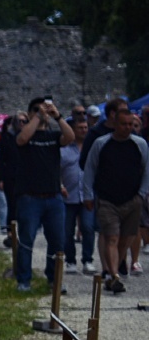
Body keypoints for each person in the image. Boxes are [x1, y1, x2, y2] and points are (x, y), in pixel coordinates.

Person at [84, 107, 149, 294]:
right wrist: (88, 194)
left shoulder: (140, 144)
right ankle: (114, 275)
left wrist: (142, 194)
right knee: (111, 236)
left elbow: (146, 170)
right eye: (123, 124)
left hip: (132, 199)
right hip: (107, 199)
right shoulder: (101, 144)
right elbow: (90, 169)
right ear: (115, 124)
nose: (127, 128)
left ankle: (113, 271)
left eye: (130, 124)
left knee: (126, 239)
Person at [7, 96, 65, 292]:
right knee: (27, 240)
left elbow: (71, 137)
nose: (44, 115)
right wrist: (37, 117)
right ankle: (24, 281)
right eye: (39, 111)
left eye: (45, 111)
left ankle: (54, 279)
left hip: (53, 197)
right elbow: (22, 139)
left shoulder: (54, 136)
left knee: (57, 241)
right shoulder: (26, 135)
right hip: (30, 197)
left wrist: (59, 116)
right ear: (31, 113)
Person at [62, 115, 97, 273]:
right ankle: (70, 260)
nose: (83, 130)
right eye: (80, 128)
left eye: (85, 128)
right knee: (67, 230)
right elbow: (56, 170)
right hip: (69, 195)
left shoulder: (92, 148)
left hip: (87, 195)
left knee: (88, 228)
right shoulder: (63, 149)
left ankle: (87, 259)